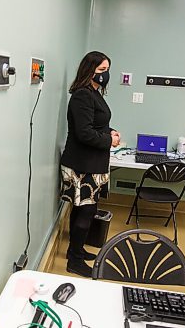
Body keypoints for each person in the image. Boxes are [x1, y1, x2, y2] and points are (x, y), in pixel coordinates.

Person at [60, 51, 120, 277]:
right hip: (83, 165)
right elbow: (84, 133)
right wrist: (109, 140)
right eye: (102, 70)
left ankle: (75, 250)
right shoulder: (82, 95)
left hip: (92, 163)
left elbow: (96, 124)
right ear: (89, 70)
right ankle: (74, 261)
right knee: (86, 212)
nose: (106, 75)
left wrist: (110, 132)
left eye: (107, 70)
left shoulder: (94, 93)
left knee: (83, 210)